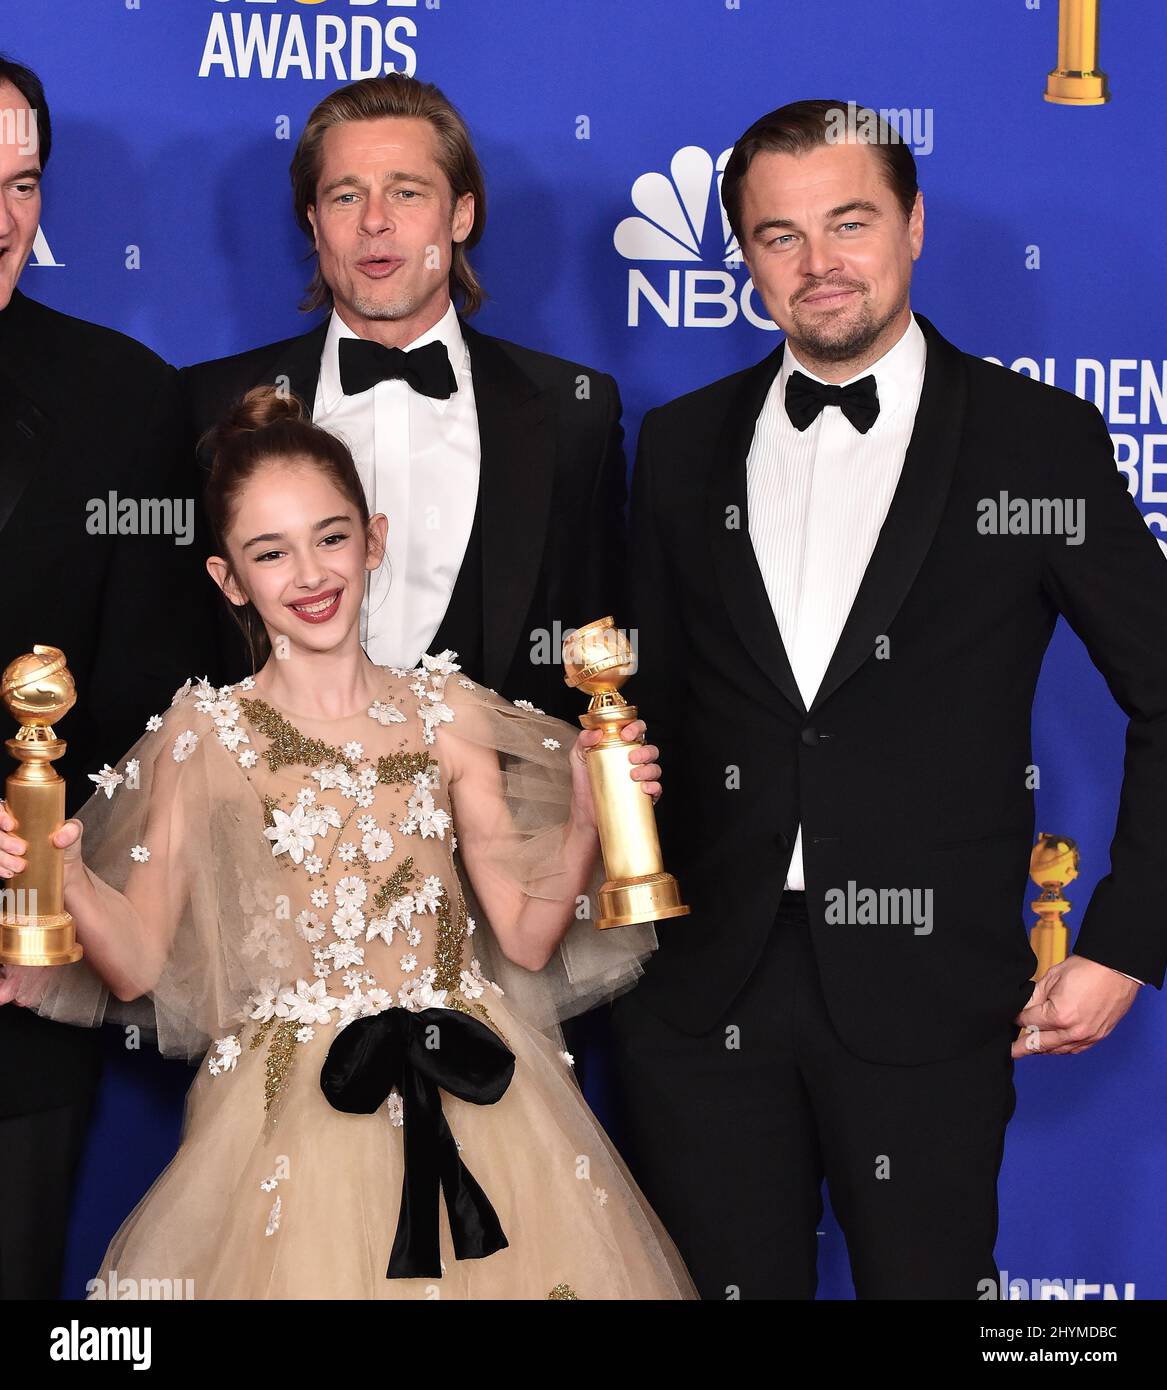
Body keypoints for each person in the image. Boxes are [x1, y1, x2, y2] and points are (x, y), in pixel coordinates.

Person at [612, 98, 1167, 1300]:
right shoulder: (681, 445)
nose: (818, 262)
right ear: (745, 258)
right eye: (780, 234)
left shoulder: (1037, 442)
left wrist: (1127, 941)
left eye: (850, 222)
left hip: (930, 991)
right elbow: (645, 703)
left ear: (914, 225)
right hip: (702, 996)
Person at [0, 386, 696, 1300]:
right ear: (228, 580)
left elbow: (528, 939)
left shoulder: (447, 713)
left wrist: (585, 822)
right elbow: (132, 964)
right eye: (269, 553)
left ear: (373, 539)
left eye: (329, 538)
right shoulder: (206, 734)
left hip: (480, 1089)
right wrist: (61, 869)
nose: (309, 574)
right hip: (288, 1108)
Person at [182, 74, 627, 723]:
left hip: (512, 786)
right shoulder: (206, 404)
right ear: (313, 222)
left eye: (406, 192)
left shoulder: (575, 411)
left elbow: (603, 644)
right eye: (345, 196)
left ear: (460, 215)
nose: (374, 221)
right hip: (266, 785)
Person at [0, 54, 218, 1299]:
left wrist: (59, 906)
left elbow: (151, 696)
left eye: (22, 183)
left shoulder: (124, 398)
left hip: (18, 958)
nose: (1, 219)